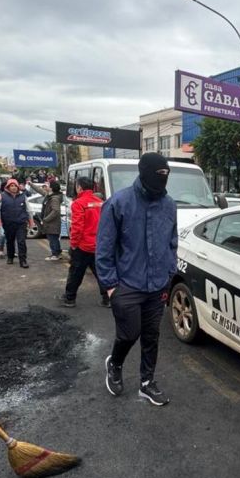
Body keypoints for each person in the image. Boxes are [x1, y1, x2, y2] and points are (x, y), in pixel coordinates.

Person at [97, 153, 178, 407]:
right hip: (127, 285)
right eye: (157, 176)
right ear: (143, 173)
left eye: (165, 176)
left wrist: (168, 274)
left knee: (151, 336)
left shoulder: (169, 205)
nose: (161, 181)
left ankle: (146, 384)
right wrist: (111, 286)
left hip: (157, 285)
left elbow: (171, 242)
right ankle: (115, 363)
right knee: (129, 333)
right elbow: (104, 248)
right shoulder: (118, 203)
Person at [61, 176, 109, 307]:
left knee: (76, 272)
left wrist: (73, 245)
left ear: (79, 188)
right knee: (101, 273)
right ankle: (107, 298)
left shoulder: (78, 203)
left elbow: (77, 227)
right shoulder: (100, 202)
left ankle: (70, 298)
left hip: (83, 246)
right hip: (98, 245)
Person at [0, 178, 30, 268]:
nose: (13, 188)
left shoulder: (23, 196)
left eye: (15, 186)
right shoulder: (2, 196)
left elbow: (29, 210)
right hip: (8, 223)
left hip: (21, 223)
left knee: (21, 241)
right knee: (10, 241)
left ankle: (23, 260)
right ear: (8, 187)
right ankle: (10, 257)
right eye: (11, 186)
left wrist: (30, 221)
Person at [33, 181, 64, 260]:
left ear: (52, 188)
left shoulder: (54, 198)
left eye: (49, 186)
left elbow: (55, 211)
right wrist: (31, 184)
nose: (47, 187)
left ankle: (56, 254)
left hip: (52, 223)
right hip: (50, 223)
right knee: (52, 238)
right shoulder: (50, 196)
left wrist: (46, 219)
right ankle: (55, 253)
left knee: (53, 238)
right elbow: (41, 191)